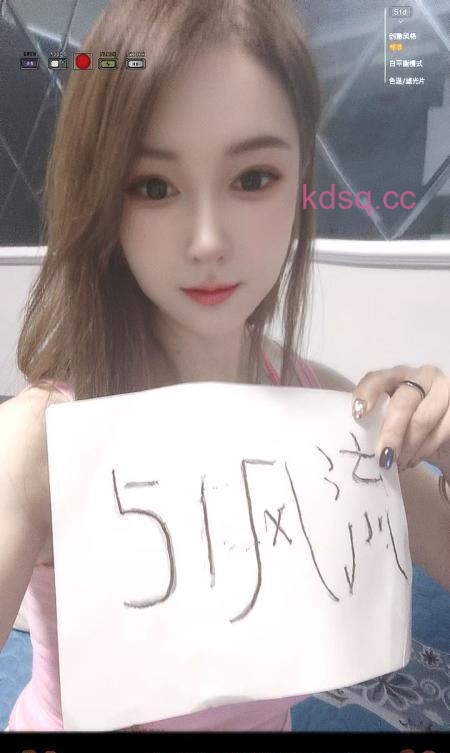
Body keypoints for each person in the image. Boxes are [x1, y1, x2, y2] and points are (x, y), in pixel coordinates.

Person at [1, 0, 449, 734]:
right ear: (101, 195)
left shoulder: (335, 412)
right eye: (154, 186)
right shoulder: (36, 443)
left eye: (253, 178)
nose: (208, 240)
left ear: (301, 176)